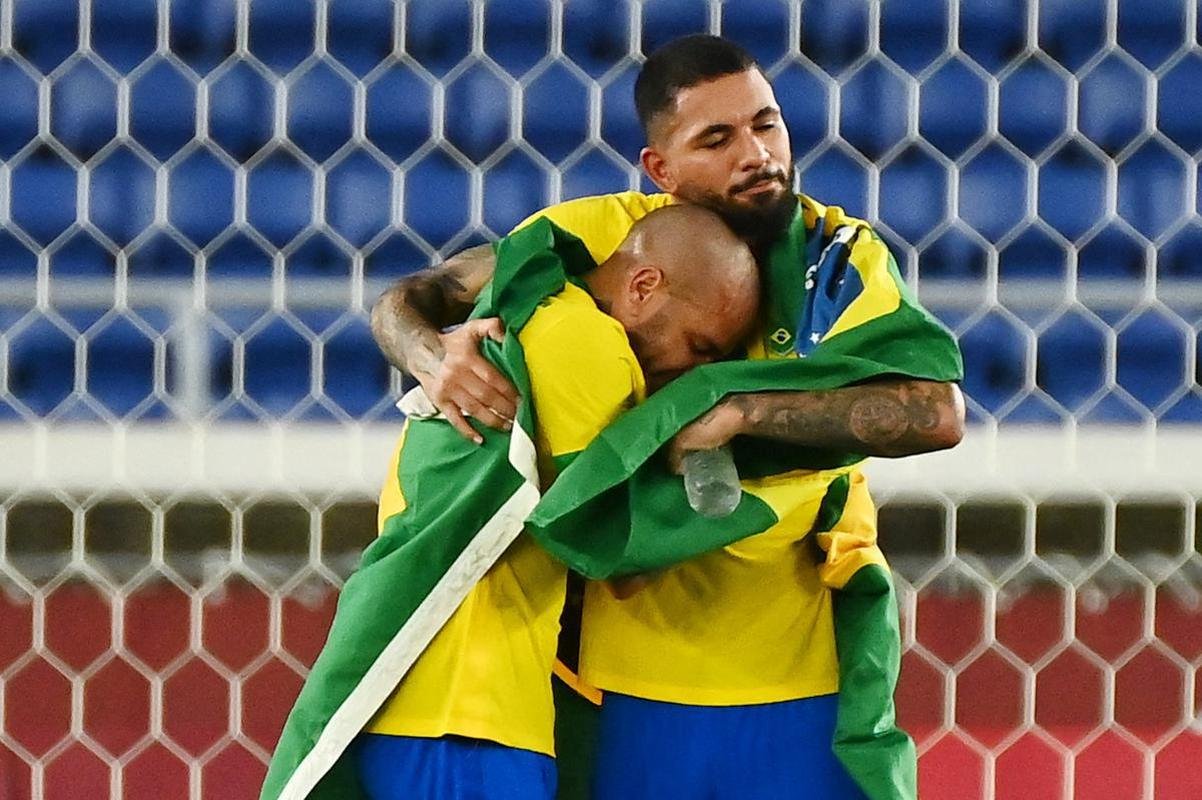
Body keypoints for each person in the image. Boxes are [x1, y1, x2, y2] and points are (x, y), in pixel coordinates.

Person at [368, 34, 965, 800]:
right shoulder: (603, 236)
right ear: (661, 170)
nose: (756, 154)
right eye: (717, 139)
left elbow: (934, 413)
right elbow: (413, 296)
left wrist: (741, 408)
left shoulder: (837, 260)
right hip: (620, 672)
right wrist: (426, 355)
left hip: (797, 659)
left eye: (766, 124)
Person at [262, 205, 760, 800]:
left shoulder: (520, 312)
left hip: (420, 703)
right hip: (465, 716)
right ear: (643, 285)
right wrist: (796, 476)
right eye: (699, 346)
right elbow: (612, 548)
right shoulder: (587, 344)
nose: (693, 371)